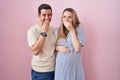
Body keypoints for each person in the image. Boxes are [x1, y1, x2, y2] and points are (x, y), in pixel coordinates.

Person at [54, 8, 85, 80]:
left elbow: (77, 48)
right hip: (60, 68)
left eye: (69, 17)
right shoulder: (57, 30)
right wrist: (57, 48)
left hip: (74, 68)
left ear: (74, 18)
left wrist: (71, 30)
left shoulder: (79, 28)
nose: (66, 19)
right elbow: (51, 47)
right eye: (64, 17)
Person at [27, 4, 56, 80]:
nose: (47, 18)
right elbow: (35, 51)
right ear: (38, 15)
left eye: (49, 15)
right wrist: (43, 32)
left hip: (52, 70)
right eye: (44, 15)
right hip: (38, 70)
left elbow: (54, 48)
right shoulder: (32, 30)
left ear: (52, 15)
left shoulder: (54, 30)